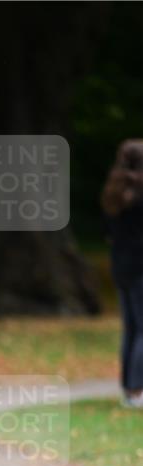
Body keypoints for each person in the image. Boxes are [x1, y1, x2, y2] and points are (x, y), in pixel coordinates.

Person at [101, 138, 143, 408]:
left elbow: (109, 235)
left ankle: (128, 389)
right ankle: (139, 389)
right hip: (141, 267)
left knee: (131, 329)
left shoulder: (112, 194)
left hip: (120, 267)